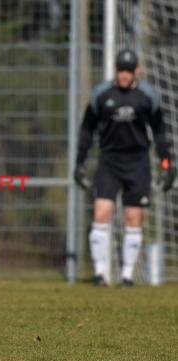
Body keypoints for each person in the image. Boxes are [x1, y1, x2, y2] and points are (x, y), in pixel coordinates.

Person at [74, 48, 175, 287]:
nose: (124, 75)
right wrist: (79, 162)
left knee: (133, 217)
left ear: (137, 70)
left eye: (129, 71)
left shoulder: (147, 96)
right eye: (121, 70)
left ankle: (127, 276)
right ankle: (100, 274)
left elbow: (160, 133)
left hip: (138, 162)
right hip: (109, 161)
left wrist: (167, 163)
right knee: (101, 213)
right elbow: (87, 130)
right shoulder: (101, 95)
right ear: (115, 70)